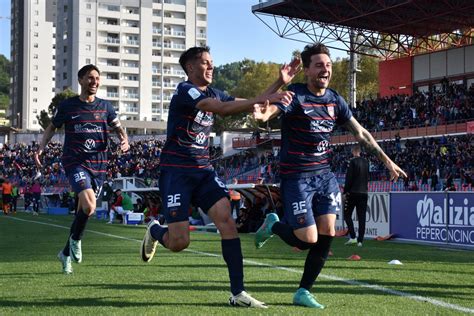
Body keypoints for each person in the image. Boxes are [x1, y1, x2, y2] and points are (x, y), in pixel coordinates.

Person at [140, 46, 296, 308]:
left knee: (227, 221)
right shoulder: (185, 91)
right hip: (176, 172)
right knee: (179, 242)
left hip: (203, 170)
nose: (211, 67)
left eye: (212, 62)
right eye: (205, 63)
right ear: (190, 68)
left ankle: (238, 293)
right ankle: (156, 230)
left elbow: (246, 102)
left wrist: (280, 82)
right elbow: (222, 109)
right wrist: (275, 96)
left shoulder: (214, 92)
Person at [253, 43, 407, 309]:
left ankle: (303, 291)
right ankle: (273, 225)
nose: (325, 69)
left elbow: (362, 133)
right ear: (307, 71)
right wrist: (278, 83)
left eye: (329, 65)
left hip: (324, 176)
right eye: (319, 65)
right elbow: (263, 114)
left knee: (327, 233)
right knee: (307, 239)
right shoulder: (294, 95)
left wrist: (387, 161)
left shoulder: (335, 100)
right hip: (296, 176)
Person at [35, 64, 129, 275]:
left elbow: (119, 128)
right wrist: (41, 147)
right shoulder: (68, 106)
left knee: (87, 210)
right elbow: (52, 127)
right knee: (88, 204)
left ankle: (65, 253)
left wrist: (124, 140)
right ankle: (76, 239)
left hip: (99, 166)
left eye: (97, 78)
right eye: (89, 78)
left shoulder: (106, 107)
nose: (94, 82)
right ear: (80, 81)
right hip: (75, 162)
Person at [343, 145, 369, 247]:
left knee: (347, 215)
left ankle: (353, 237)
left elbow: (349, 178)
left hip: (353, 192)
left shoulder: (352, 162)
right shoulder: (366, 162)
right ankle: (360, 241)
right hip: (364, 192)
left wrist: (345, 192)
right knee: (362, 217)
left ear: (354, 151)